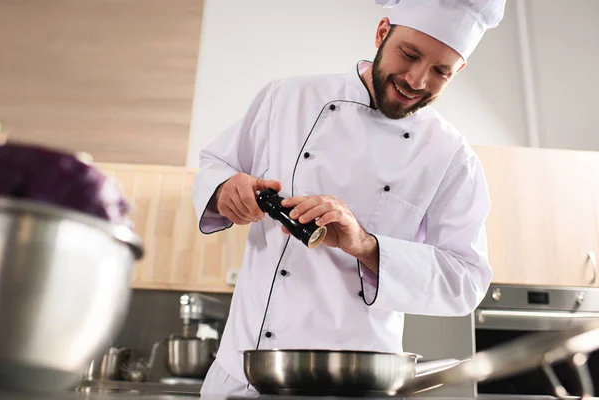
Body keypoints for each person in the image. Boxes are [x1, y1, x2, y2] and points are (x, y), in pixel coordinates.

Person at [192, 0, 506, 396]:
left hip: (354, 380)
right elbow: (214, 167)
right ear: (381, 33)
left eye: (440, 72)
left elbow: (466, 280)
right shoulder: (288, 98)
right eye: (409, 55)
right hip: (244, 373)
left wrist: (366, 245)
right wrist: (226, 191)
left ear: (458, 71)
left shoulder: (452, 158)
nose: (416, 80)